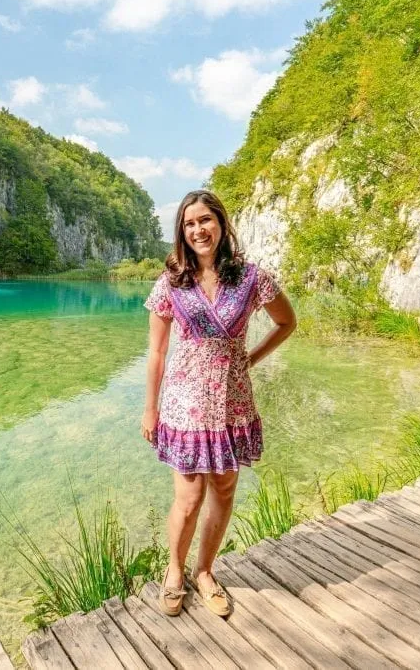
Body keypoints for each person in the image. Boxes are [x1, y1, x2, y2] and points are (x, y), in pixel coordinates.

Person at [141, 189, 297, 618]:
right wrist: (150, 408)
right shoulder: (171, 282)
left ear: (222, 224)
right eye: (189, 224)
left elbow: (287, 322)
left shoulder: (250, 278)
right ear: (181, 232)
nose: (198, 230)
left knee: (225, 490)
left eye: (205, 220)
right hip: (184, 404)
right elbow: (155, 352)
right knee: (189, 497)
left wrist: (251, 357)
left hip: (232, 403)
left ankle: (205, 571)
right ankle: (174, 571)